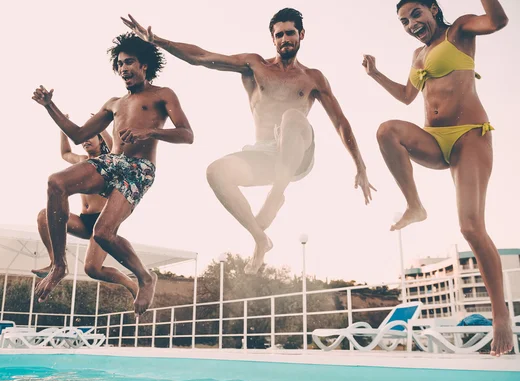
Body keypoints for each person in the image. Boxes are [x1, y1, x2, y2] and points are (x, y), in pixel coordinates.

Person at [122, 8, 375, 273]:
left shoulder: (313, 78)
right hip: (263, 155)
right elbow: (202, 57)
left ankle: (276, 196)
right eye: (279, 35)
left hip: (298, 153)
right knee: (216, 172)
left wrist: (360, 166)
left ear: (301, 34)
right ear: (273, 39)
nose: (285, 39)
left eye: (290, 33)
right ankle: (260, 238)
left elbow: (340, 122)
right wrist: (158, 41)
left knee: (291, 116)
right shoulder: (255, 66)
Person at [362, 0, 511, 356]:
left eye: (416, 14)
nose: (411, 23)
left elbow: (499, 20)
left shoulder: (459, 31)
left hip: (468, 137)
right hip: (433, 140)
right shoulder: (418, 54)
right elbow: (406, 96)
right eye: (403, 21)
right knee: (386, 131)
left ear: (433, 9)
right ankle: (414, 205)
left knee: (471, 227)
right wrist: (375, 74)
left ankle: (500, 315)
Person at [31, 33, 194, 315]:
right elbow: (79, 133)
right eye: (119, 64)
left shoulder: (163, 95)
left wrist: (150, 131)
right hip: (113, 161)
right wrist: (50, 106)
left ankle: (144, 277)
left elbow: (187, 135)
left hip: (139, 169)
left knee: (104, 234)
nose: (123, 69)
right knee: (56, 182)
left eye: (129, 62)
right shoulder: (114, 103)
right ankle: (58, 264)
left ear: (144, 65)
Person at [31, 118, 139, 299]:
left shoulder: (109, 162)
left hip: (103, 223)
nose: (86, 141)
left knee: (92, 269)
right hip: (83, 221)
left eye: (91, 137)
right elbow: (65, 153)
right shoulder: (81, 161)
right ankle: (55, 263)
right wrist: (63, 130)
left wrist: (103, 127)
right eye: (83, 139)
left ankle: (129, 282)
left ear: (100, 140)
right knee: (44, 216)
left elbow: (114, 145)